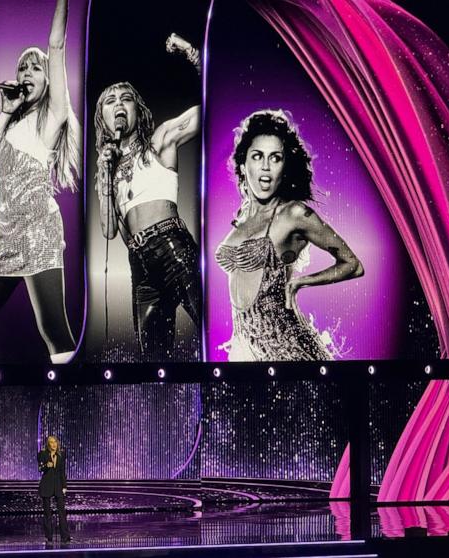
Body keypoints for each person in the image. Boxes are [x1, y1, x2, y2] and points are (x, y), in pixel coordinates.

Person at [0, 0, 79, 364]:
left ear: (48, 79)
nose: (28, 72)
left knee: (55, 332)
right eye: (23, 67)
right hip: (4, 242)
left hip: (37, 236)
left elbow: (57, 46)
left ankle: (70, 407)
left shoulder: (50, 119)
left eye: (36, 67)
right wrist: (4, 112)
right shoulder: (10, 126)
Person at [215, 109, 364, 360]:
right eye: (257, 156)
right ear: (243, 164)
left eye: (275, 158)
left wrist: (300, 282)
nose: (265, 166)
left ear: (284, 167)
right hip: (244, 350)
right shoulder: (241, 218)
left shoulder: (293, 213)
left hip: (283, 352)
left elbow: (353, 265)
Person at [94, 35, 202, 361]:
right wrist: (103, 177)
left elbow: (211, 104)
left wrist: (193, 55)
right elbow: (110, 231)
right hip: (139, 265)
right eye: (110, 100)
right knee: (154, 361)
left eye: (125, 98)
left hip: (172, 246)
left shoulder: (159, 142)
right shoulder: (107, 170)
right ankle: (163, 411)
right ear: (102, 116)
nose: (118, 103)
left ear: (136, 110)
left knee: (211, 323)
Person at [38, 435, 70, 542]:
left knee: (62, 511)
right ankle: (49, 536)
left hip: (58, 486)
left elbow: (62, 472)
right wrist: (47, 465)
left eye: (55, 442)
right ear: (48, 444)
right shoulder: (42, 454)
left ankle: (65, 536)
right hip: (46, 485)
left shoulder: (61, 455)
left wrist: (64, 486)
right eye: (51, 442)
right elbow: (40, 468)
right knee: (47, 513)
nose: (54, 444)